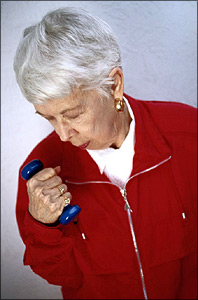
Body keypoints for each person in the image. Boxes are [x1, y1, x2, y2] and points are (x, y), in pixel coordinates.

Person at [14, 7, 197, 300]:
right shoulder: (41, 174)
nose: (62, 134)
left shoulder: (190, 134)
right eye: (48, 118)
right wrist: (42, 225)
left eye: (72, 114)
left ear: (114, 85)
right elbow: (60, 275)